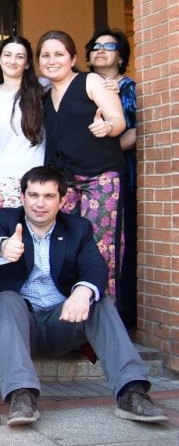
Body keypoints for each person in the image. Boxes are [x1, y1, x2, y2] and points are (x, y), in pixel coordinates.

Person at [0, 166, 165, 425]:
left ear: (62, 200)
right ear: (22, 198)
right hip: (16, 324)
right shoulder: (7, 221)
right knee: (6, 299)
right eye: (33, 195)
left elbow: (95, 267)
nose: (40, 204)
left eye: (48, 196)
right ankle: (20, 394)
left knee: (98, 299)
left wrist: (83, 291)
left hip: (61, 321)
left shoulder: (77, 228)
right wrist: (3, 246)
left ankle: (131, 391)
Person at [39, 30, 127, 303]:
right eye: (45, 55)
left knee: (101, 247)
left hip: (99, 177)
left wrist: (107, 126)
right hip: (64, 182)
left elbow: (119, 120)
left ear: (73, 58)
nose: (52, 60)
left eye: (59, 54)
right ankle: (70, 312)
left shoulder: (90, 81)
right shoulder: (43, 95)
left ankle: (104, 315)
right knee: (63, 245)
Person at [85, 28, 138, 328]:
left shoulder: (129, 88)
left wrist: (103, 149)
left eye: (109, 46)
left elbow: (136, 130)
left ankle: (120, 317)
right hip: (87, 178)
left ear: (121, 55)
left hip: (118, 174)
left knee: (119, 245)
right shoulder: (84, 84)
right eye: (95, 46)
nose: (100, 50)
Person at [0, 36, 45, 210]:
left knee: (39, 231)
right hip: (4, 179)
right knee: (11, 232)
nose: (12, 61)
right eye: (7, 55)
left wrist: (107, 83)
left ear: (27, 63)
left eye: (20, 56)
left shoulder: (43, 87)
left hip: (39, 177)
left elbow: (73, 82)